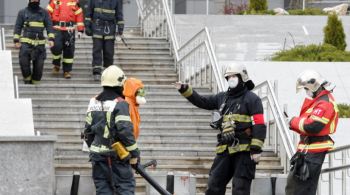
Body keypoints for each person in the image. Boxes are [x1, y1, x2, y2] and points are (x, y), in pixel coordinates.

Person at [174, 63, 266, 195]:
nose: (231, 79)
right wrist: (185, 89)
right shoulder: (222, 98)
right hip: (225, 149)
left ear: (243, 77)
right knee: (213, 186)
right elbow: (202, 101)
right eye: (228, 77)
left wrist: (256, 149)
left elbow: (259, 124)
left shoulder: (252, 99)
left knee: (240, 189)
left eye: (234, 76)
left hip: (244, 151)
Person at [82, 65, 139, 195]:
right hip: (115, 156)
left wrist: (96, 149)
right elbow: (125, 131)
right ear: (120, 84)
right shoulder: (120, 103)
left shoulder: (93, 101)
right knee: (125, 188)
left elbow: (87, 131)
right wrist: (134, 153)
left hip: (97, 156)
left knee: (103, 190)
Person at [285, 70, 338, 195]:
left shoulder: (324, 103)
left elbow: (313, 126)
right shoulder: (319, 102)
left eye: (305, 88)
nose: (306, 92)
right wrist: (292, 124)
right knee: (296, 188)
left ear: (313, 86)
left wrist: (293, 121)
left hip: (313, 151)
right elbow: (307, 124)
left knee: (300, 189)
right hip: (308, 151)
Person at [13, 0, 55, 84]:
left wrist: (51, 39)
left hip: (39, 45)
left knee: (39, 68)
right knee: (24, 64)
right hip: (26, 44)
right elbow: (18, 27)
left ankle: (35, 84)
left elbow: (49, 26)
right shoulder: (22, 12)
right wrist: (16, 40)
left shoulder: (44, 13)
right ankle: (27, 80)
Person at [84, 0, 124, 81]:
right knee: (97, 50)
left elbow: (119, 14)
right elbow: (88, 13)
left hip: (110, 27)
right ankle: (97, 72)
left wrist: (120, 28)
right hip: (97, 26)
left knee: (109, 52)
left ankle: (108, 72)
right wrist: (87, 26)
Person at [47, 0, 85, 79]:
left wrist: (80, 30)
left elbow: (79, 15)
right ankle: (56, 63)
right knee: (56, 47)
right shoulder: (54, 1)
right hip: (57, 29)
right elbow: (47, 14)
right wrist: (48, 26)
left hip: (69, 30)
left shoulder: (75, 2)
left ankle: (67, 71)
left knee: (69, 50)